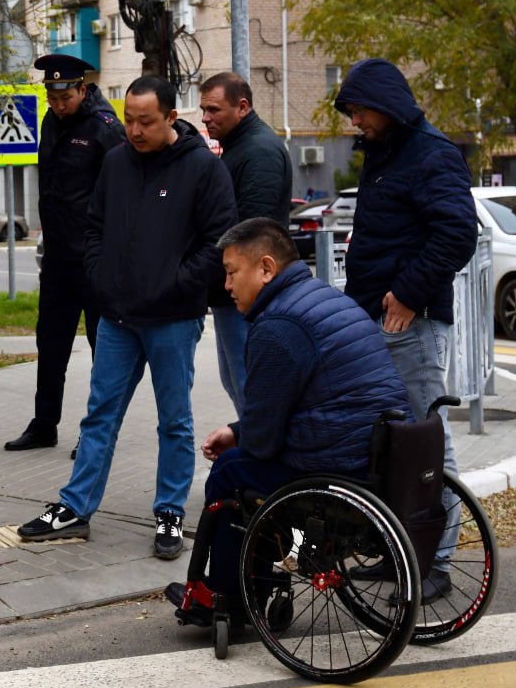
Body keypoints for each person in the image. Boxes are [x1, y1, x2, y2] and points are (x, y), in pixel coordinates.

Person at [17, 75, 236, 559]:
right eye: (130, 120)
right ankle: (75, 507)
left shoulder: (202, 169)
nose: (134, 131)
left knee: (174, 420)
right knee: (99, 414)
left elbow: (218, 243)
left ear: (171, 118)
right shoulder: (115, 162)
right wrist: (99, 276)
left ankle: (170, 513)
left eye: (146, 122)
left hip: (174, 319)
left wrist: (174, 284)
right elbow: (94, 227)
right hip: (117, 316)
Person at [165, 218, 412, 620]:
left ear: (266, 268)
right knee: (245, 461)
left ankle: (228, 595)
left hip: (337, 463)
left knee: (231, 472)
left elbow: (263, 442)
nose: (226, 287)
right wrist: (237, 430)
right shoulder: (324, 298)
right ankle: (255, 585)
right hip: (380, 450)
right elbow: (294, 407)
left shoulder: (278, 326)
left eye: (231, 273)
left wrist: (243, 438)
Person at [333, 58, 478, 600]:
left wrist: (410, 293)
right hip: (379, 318)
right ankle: (402, 553)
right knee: (395, 446)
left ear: (385, 104)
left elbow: (457, 233)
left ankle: (436, 563)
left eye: (358, 111)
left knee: (426, 444)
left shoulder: (431, 153)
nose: (354, 122)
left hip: (409, 323)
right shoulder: (388, 151)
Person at [4, 54, 124, 456]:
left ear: (82, 89)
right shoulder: (51, 123)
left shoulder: (105, 128)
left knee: (101, 348)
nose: (57, 104)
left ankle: (96, 431)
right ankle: (44, 425)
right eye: (51, 97)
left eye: (64, 97)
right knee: (50, 343)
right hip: (57, 258)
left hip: (93, 259)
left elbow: (121, 195)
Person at [199, 72, 292, 421]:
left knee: (250, 388)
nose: (206, 117)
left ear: (242, 107)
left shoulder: (258, 152)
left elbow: (255, 231)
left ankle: (264, 467)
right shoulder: (241, 147)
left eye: (214, 110)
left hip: (249, 295)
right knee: (237, 383)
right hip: (235, 292)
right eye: (203, 109)